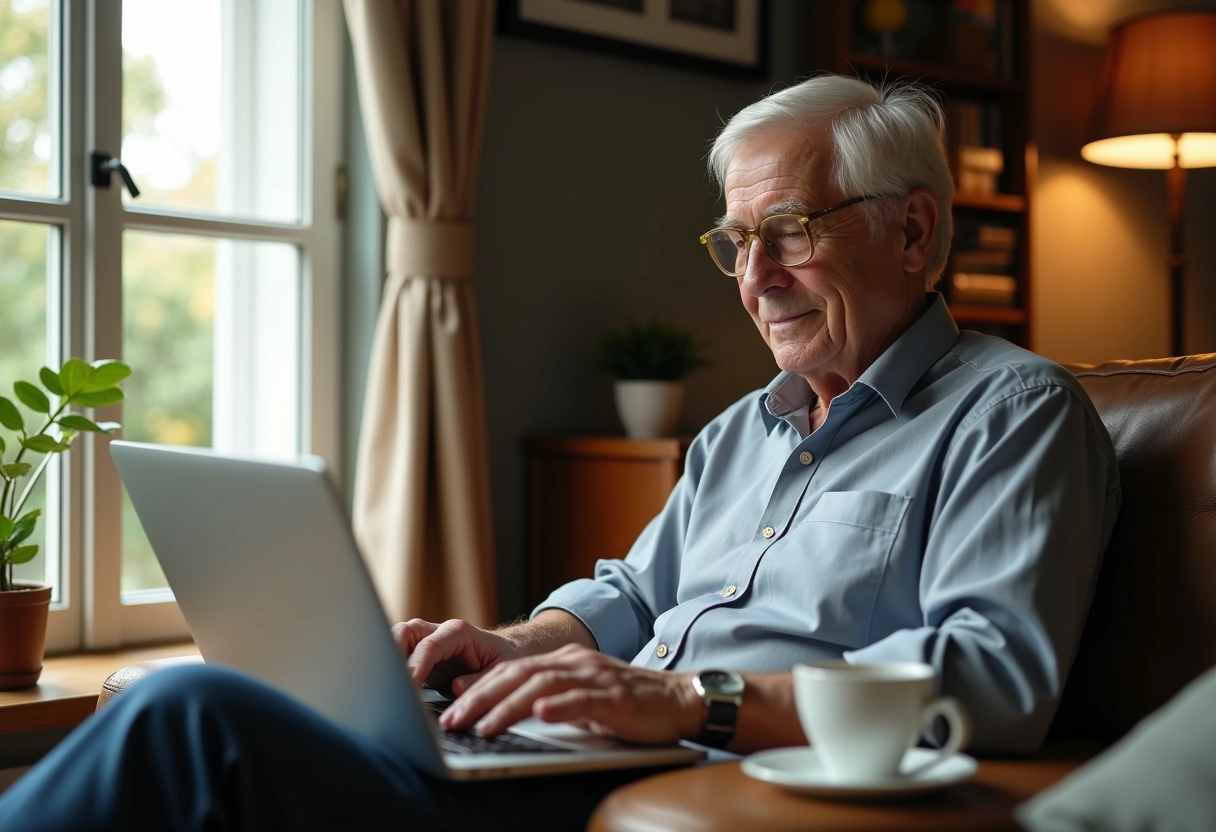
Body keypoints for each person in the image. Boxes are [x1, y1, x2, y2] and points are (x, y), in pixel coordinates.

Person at [0, 74, 1120, 831]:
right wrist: (513, 645)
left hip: (694, 762)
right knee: (199, 689)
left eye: (789, 233)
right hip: (569, 744)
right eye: (736, 242)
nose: (753, 277)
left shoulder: (1012, 413)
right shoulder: (741, 430)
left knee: (185, 721)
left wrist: (686, 699)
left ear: (914, 230)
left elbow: (991, 677)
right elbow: (635, 589)